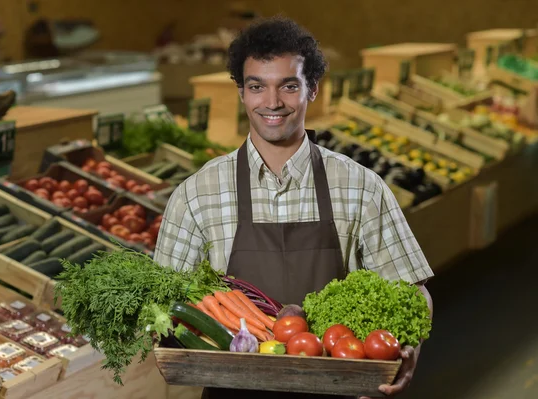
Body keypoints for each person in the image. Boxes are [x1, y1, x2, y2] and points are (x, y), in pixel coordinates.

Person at [154, 16, 434, 399]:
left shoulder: (361, 186)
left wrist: (409, 348)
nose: (272, 102)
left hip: (339, 388)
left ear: (312, 89)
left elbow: (411, 291)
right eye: (257, 87)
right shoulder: (197, 193)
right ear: (241, 92)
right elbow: (163, 302)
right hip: (234, 391)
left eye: (288, 86)